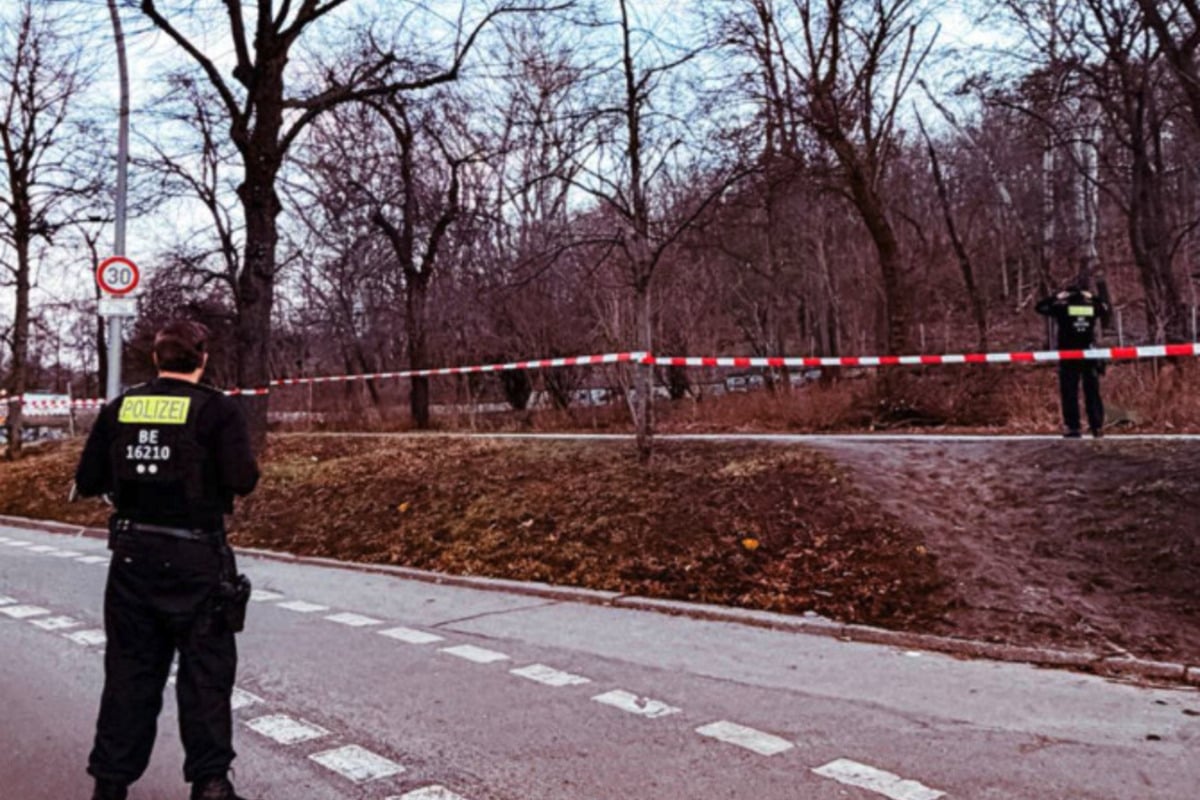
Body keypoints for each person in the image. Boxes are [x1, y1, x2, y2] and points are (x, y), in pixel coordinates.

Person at [74, 320, 260, 800]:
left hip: (133, 558)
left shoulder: (122, 407)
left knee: (129, 673)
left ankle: (110, 785)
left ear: (156, 359)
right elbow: (243, 478)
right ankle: (210, 784)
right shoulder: (217, 410)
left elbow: (89, 478)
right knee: (206, 676)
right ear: (202, 359)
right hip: (199, 558)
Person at [1036, 278, 1112, 438]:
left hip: (1068, 355)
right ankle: (1096, 426)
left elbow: (1040, 307)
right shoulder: (1091, 307)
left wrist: (1057, 297)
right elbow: (1106, 308)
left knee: (1069, 392)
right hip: (1089, 355)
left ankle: (1073, 427)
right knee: (1092, 392)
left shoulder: (1063, 309)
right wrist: (1093, 296)